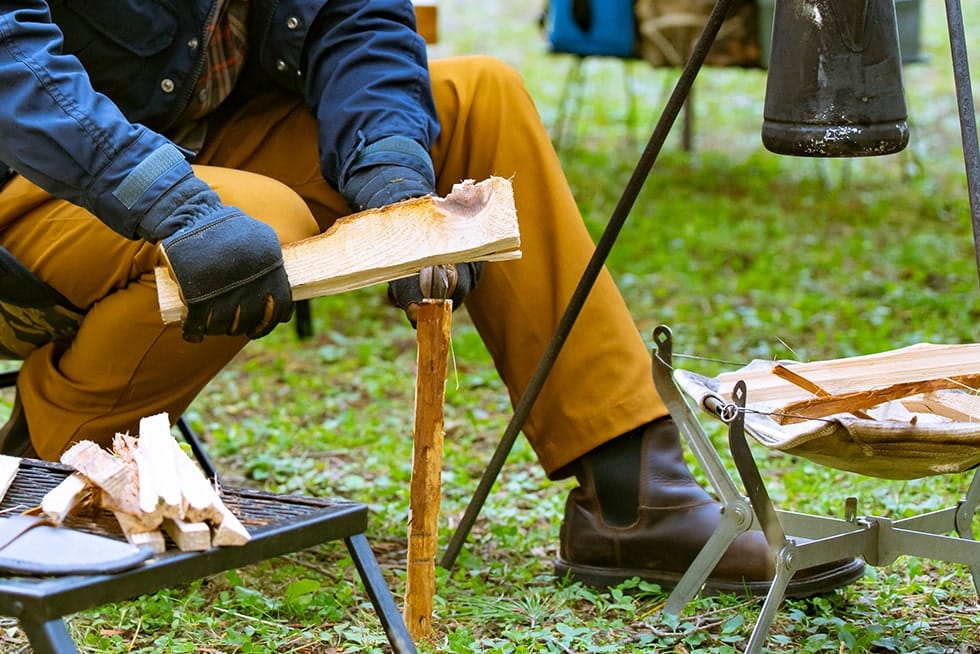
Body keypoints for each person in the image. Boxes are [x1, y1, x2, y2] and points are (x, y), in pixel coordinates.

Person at [0, 0, 864, 596]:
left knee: (478, 96)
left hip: (194, 143)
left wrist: (397, 188)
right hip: (31, 174)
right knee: (254, 217)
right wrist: (175, 204)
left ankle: (634, 495)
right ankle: (48, 459)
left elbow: (360, 21)